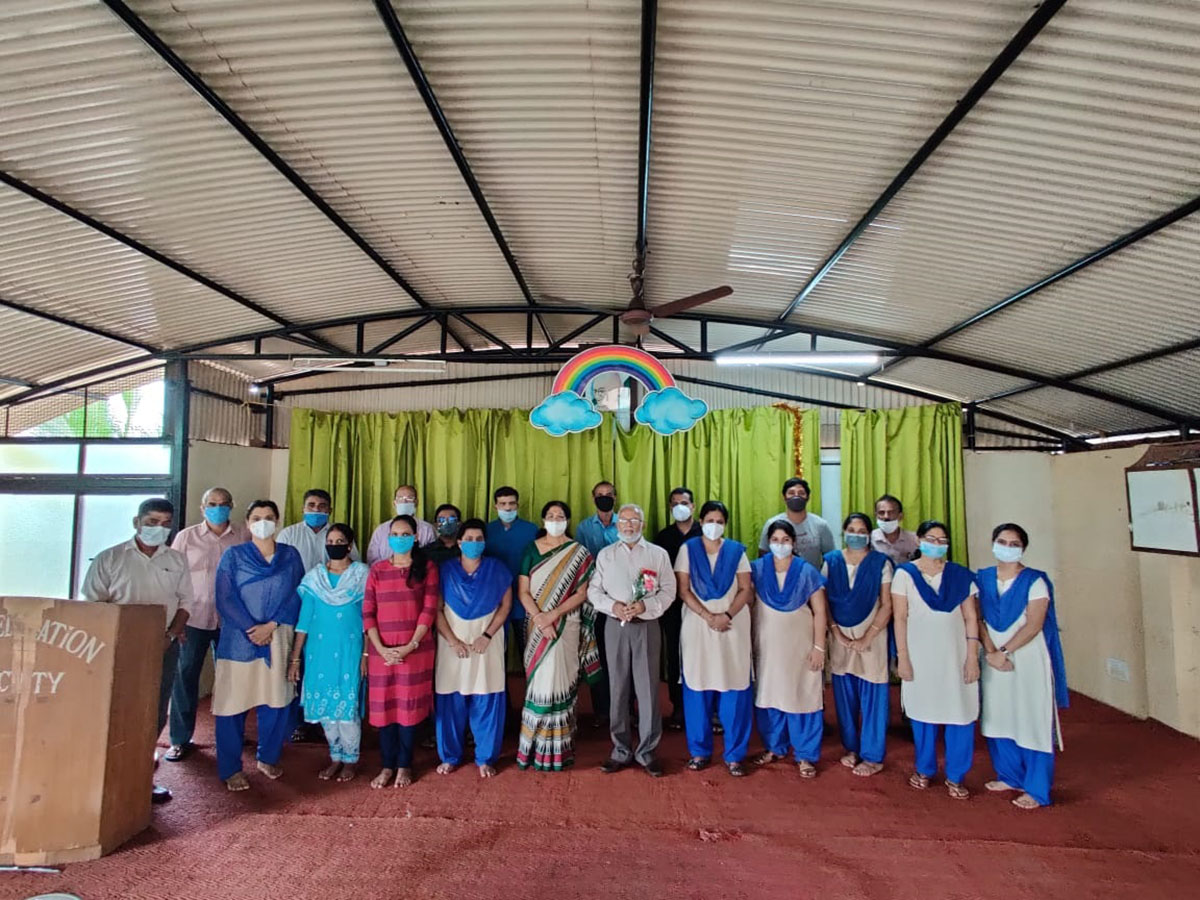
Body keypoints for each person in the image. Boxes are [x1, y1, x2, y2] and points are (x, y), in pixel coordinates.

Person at [80, 497, 195, 804]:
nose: (160, 529)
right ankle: (106, 779)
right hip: (118, 648)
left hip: (163, 645)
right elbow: (93, 605)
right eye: (152, 522)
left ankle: (143, 777)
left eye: (166, 524)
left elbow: (186, 603)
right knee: (116, 709)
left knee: (154, 710)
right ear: (137, 523)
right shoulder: (111, 558)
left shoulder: (177, 560)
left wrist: (170, 635)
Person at [211, 500, 306, 792]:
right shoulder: (234, 555)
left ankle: (268, 757)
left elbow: (299, 592)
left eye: (268, 517)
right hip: (240, 640)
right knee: (232, 705)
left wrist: (272, 625)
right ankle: (230, 768)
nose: (262, 522)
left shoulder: (290, 555)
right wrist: (251, 629)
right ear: (248, 521)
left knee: (276, 700)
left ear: (277, 521)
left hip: (278, 636)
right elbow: (225, 597)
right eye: (256, 517)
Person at [979, 523, 1069, 809]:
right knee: (998, 716)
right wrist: (991, 652)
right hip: (992, 657)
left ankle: (1037, 789)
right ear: (993, 543)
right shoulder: (981, 578)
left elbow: (1034, 624)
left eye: (1013, 543)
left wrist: (1005, 651)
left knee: (1031, 719)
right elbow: (977, 619)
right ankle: (1009, 775)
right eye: (1002, 541)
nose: (1007, 547)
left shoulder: (1034, 581)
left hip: (1027, 658)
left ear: (1023, 548)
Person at [892, 520, 981, 800]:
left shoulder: (961, 576)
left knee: (960, 715)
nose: (936, 544)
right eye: (931, 538)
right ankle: (924, 769)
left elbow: (970, 617)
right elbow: (900, 617)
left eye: (942, 540)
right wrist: (902, 658)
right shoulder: (904, 575)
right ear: (919, 541)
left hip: (955, 657)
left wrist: (972, 657)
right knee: (923, 715)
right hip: (920, 657)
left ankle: (956, 775)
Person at [589, 504, 676, 777]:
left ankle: (647, 751)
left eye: (634, 520)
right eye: (623, 521)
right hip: (615, 626)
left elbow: (669, 591)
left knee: (648, 688)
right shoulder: (606, 555)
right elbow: (594, 590)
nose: (628, 525)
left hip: (646, 626)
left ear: (643, 524)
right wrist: (612, 606)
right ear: (617, 525)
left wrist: (645, 607)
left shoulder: (658, 555)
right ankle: (620, 749)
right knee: (618, 687)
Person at [166, 487, 249, 762]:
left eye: (223, 503)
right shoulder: (186, 537)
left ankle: (233, 733)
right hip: (193, 618)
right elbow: (172, 578)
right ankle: (179, 739)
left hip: (232, 620)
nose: (218, 508)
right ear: (203, 508)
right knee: (185, 676)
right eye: (212, 504)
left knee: (232, 678)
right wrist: (174, 618)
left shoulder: (242, 536)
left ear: (232, 506)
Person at [515, 500, 599, 771]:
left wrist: (553, 616)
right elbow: (523, 591)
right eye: (550, 515)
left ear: (567, 520)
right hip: (536, 627)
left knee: (561, 680)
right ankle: (534, 749)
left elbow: (583, 593)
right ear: (543, 520)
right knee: (540, 683)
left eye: (560, 515)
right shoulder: (531, 549)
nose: (555, 519)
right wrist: (540, 618)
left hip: (566, 625)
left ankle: (558, 750)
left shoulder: (579, 552)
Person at [676, 501, 754, 777]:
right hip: (698, 626)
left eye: (719, 521)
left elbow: (746, 588)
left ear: (725, 523)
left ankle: (734, 755)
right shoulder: (688, 550)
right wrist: (709, 616)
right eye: (710, 520)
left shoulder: (736, 551)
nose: (714, 525)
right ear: (701, 520)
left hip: (732, 626)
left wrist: (726, 615)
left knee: (734, 686)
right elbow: (683, 590)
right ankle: (699, 751)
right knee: (698, 687)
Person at [288, 523, 369, 784]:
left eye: (340, 540)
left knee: (347, 706)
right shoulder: (315, 578)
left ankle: (350, 760)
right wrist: (295, 657)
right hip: (318, 651)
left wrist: (367, 655)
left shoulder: (362, 575)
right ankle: (335, 757)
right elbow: (304, 620)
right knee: (325, 708)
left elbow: (369, 619)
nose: (334, 544)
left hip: (349, 648)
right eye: (330, 540)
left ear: (349, 544)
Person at [363, 515, 439, 788]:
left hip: (415, 651)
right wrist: (381, 648)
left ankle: (405, 765)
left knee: (408, 709)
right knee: (385, 710)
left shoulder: (426, 568)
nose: (400, 538)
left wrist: (410, 645)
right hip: (382, 652)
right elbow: (368, 612)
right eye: (395, 533)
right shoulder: (377, 570)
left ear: (416, 537)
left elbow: (429, 609)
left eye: (405, 533)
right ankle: (386, 765)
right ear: (388, 538)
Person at [434, 519, 512, 778]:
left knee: (487, 695)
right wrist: (453, 641)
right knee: (450, 697)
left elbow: (505, 606)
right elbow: (436, 609)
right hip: (451, 642)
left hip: (487, 641)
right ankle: (450, 756)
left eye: (479, 539)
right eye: (468, 539)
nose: (474, 544)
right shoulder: (444, 571)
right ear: (458, 542)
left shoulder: (497, 569)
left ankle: (485, 758)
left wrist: (487, 635)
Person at [751, 520, 829, 777]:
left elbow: (819, 611)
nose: (780, 545)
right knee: (769, 696)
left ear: (794, 543)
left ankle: (805, 755)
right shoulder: (757, 570)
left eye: (786, 540)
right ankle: (775, 747)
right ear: (768, 543)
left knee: (802, 696)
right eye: (775, 540)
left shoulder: (806, 572)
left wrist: (819, 647)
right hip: (767, 647)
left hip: (800, 647)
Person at [823, 513, 893, 777]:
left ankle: (873, 756)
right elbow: (823, 601)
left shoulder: (881, 563)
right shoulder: (830, 561)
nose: (856, 534)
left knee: (873, 695)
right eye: (851, 529)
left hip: (872, 636)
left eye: (862, 530)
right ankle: (851, 748)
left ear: (869, 534)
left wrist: (868, 636)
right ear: (844, 532)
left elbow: (887, 604)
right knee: (845, 695)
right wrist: (835, 633)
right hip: (840, 635)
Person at [651, 486, 702, 731]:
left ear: (692, 506)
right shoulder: (663, 536)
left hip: (702, 605)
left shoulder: (704, 533)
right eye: (674, 503)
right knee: (675, 656)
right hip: (671, 607)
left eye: (684, 502)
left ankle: (705, 708)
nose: (680, 507)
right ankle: (678, 708)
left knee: (702, 655)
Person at [484, 485, 539, 703]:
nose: (508, 508)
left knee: (531, 655)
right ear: (495, 506)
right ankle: (502, 709)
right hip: (495, 605)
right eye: (503, 504)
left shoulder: (531, 530)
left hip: (526, 603)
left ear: (518, 505)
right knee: (497, 659)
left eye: (512, 504)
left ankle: (533, 705)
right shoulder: (486, 531)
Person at [575, 481, 618, 727]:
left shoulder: (624, 524)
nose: (604, 499)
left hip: (621, 600)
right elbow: (581, 562)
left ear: (615, 497)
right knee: (597, 654)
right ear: (593, 499)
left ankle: (626, 709)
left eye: (608, 495)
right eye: (600, 496)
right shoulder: (583, 528)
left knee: (622, 656)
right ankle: (602, 711)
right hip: (593, 601)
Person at [758, 477, 835, 568]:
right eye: (791, 493)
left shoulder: (821, 525)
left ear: (808, 497)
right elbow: (763, 556)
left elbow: (830, 559)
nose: (796, 496)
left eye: (801, 493)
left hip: (812, 580)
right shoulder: (772, 523)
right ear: (784, 497)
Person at [276, 489, 360, 570]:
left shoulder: (341, 534)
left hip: (334, 583)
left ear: (330, 511)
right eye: (311, 505)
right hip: (298, 584)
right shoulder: (288, 534)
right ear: (303, 509)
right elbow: (277, 565)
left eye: (322, 506)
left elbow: (355, 563)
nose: (316, 509)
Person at [366, 485, 437, 564]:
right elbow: (372, 560)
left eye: (409, 498)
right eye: (400, 498)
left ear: (416, 502)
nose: (404, 502)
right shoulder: (381, 530)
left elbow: (432, 558)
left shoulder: (428, 530)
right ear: (394, 503)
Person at [871, 494, 919, 566]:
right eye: (881, 513)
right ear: (876, 516)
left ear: (900, 516)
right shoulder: (869, 538)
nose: (886, 516)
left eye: (891, 512)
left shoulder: (914, 539)